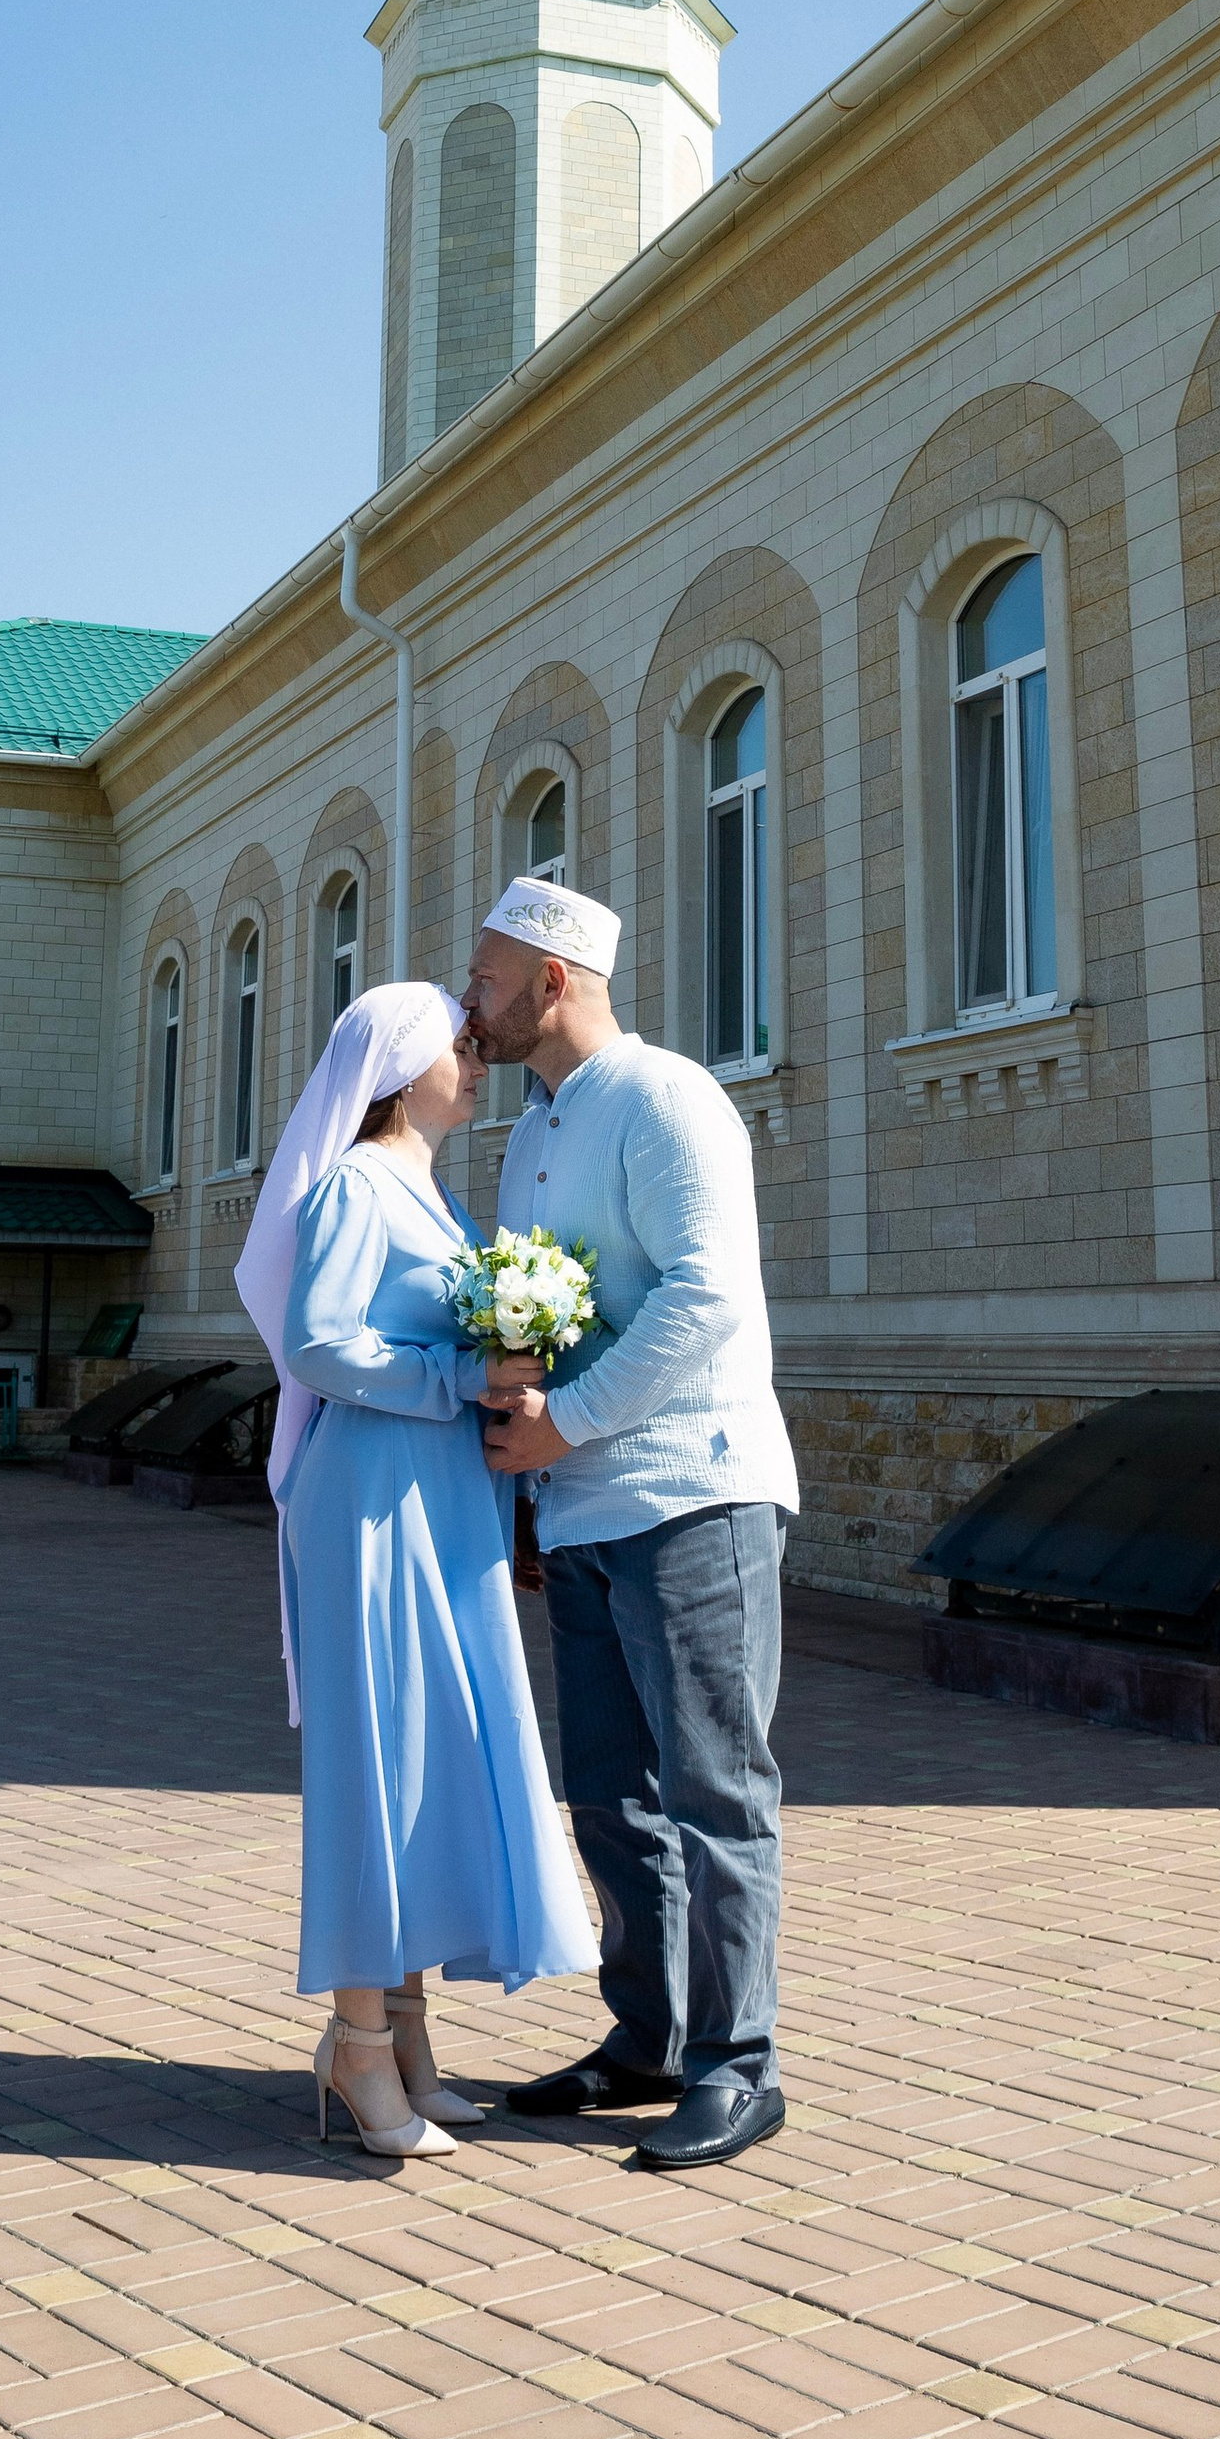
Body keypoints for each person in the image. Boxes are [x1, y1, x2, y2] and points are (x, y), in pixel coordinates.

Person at [464, 878, 799, 2173]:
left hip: (691, 1494)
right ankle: (648, 2039)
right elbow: (537, 1312)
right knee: (608, 1795)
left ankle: (739, 2065)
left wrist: (567, 1422)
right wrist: (529, 1463)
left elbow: (706, 1294)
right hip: (584, 1505)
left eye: (489, 975)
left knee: (716, 1791)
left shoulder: (666, 1097)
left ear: (553, 980)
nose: (471, 999)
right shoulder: (529, 1131)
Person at [235, 979, 597, 2159]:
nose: (478, 1063)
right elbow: (320, 1343)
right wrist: (461, 1377)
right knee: (377, 1759)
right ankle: (356, 2048)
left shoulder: (431, 1192)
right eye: (460, 1048)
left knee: (428, 1753)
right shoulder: (355, 1181)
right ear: (399, 1068)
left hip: (439, 1495)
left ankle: (404, 2033)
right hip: (372, 1499)